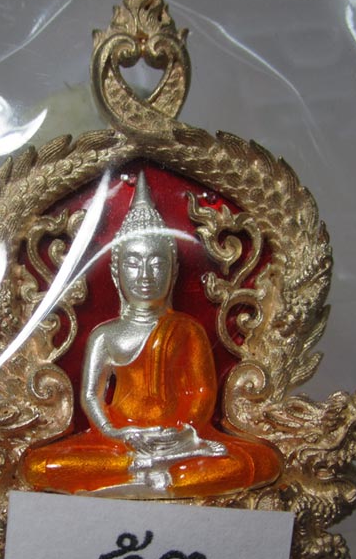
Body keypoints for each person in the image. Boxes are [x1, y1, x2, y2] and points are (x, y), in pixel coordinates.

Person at [21, 172, 282, 498]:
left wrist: (184, 433)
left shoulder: (188, 330)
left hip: (180, 442)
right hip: (122, 441)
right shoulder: (105, 336)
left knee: (262, 462)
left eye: (156, 263)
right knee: (40, 466)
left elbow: (202, 392)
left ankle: (140, 480)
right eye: (133, 263)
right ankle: (151, 477)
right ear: (116, 271)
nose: (145, 275)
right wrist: (115, 432)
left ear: (173, 271)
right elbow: (91, 395)